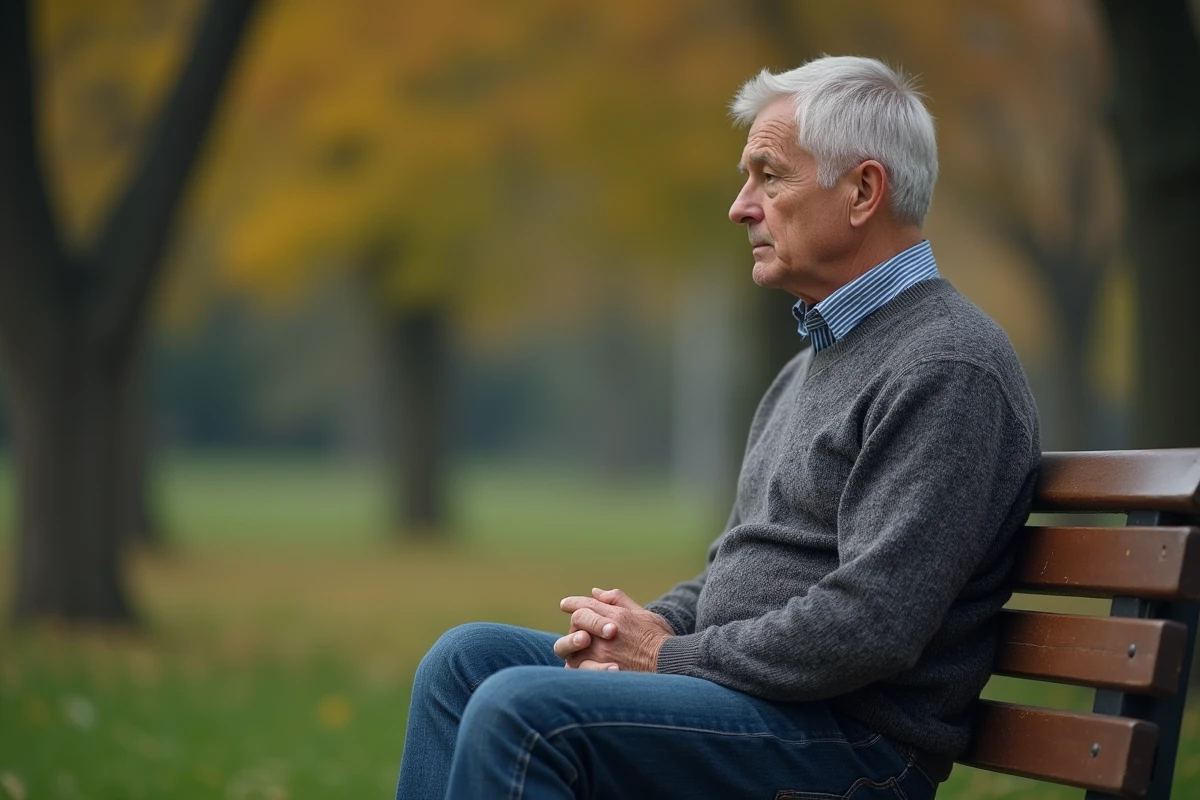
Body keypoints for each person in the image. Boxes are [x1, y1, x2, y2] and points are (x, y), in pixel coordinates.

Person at [394, 55, 1040, 800]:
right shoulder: (807, 369)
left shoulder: (949, 366)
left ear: (863, 191)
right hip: (758, 705)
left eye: (770, 176)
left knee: (524, 713)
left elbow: (871, 623)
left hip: (849, 744)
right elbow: (738, 569)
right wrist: (639, 629)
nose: (741, 206)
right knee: (464, 663)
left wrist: (667, 657)